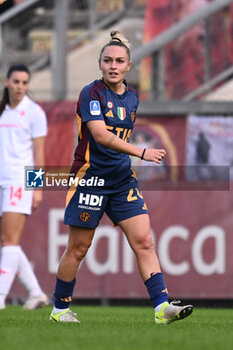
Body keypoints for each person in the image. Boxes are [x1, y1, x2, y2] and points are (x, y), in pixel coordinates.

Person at [50, 31, 193, 324]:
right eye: (107, 61)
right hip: (90, 178)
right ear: (100, 65)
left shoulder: (132, 97)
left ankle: (161, 308)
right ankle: (59, 309)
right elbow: (101, 136)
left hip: (121, 180)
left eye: (119, 61)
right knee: (78, 248)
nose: (113, 66)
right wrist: (141, 152)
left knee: (144, 241)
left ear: (129, 66)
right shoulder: (91, 93)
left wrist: (131, 160)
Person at [0, 64, 48, 310]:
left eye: (24, 82)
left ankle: (0, 297)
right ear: (7, 82)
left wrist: (36, 188)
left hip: (19, 182)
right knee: (9, 241)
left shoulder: (34, 112)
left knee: (8, 241)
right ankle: (37, 293)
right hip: (1, 181)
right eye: (16, 81)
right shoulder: (2, 111)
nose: (20, 86)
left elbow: (40, 153)